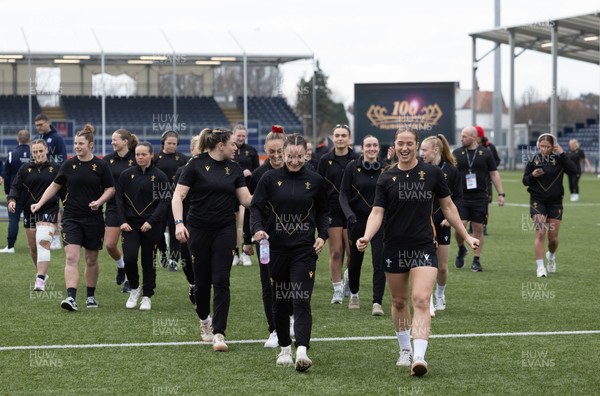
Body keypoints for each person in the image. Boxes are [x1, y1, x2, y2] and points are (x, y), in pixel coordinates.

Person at [356, 128, 479, 377]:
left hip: (423, 245)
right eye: (400, 143)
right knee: (399, 301)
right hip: (393, 246)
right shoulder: (386, 177)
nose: (404, 148)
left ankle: (420, 357)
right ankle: (405, 349)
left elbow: (448, 206)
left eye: (409, 143)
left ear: (416, 145)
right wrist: (367, 236)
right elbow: (377, 212)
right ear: (395, 145)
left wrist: (465, 236)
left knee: (421, 300)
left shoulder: (433, 174)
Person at [250, 133, 329, 371]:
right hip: (276, 249)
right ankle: (284, 348)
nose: (294, 161)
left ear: (306, 154)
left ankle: (302, 350)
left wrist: (322, 236)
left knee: (301, 298)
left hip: (304, 249)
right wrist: (258, 229)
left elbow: (324, 211)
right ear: (283, 154)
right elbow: (256, 207)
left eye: (299, 156)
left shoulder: (315, 180)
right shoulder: (269, 179)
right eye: (290, 156)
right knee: (281, 300)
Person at [172, 128, 251, 352]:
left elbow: (246, 200)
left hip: (225, 229)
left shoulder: (234, 168)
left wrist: (270, 194)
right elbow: (178, 196)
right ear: (220, 145)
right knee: (202, 281)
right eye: (232, 144)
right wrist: (179, 223)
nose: (236, 148)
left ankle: (219, 332)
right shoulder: (194, 165)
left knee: (222, 279)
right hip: (198, 229)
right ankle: (204, 320)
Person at [31, 124, 115, 311]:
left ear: (90, 145)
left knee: (91, 259)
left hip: (93, 219)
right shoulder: (68, 164)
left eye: (81, 143)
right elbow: (54, 186)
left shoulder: (101, 166)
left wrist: (99, 201)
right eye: (75, 143)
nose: (77, 146)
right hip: (71, 218)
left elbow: (111, 189)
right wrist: (40, 203)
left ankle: (91, 296)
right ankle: (71, 298)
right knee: (71, 257)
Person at [241, 126, 289, 348]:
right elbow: (252, 208)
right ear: (265, 150)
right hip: (265, 238)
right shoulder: (259, 175)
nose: (277, 156)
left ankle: (289, 320)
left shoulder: (298, 170)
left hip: (293, 237)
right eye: (272, 152)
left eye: (280, 151)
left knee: (290, 282)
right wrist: (247, 238)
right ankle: (273, 329)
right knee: (268, 283)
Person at [116, 142, 169, 310]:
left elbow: (165, 200)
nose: (140, 157)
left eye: (143, 154)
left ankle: (147, 296)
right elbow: (118, 200)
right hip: (130, 225)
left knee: (149, 261)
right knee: (130, 258)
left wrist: (151, 221)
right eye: (137, 154)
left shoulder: (160, 176)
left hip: (151, 225)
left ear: (151, 155)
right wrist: (122, 221)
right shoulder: (125, 175)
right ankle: (134, 289)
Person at [339, 135, 386, 315]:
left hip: (380, 223)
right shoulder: (352, 167)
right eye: (368, 145)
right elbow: (343, 194)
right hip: (357, 222)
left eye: (375, 145)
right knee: (355, 261)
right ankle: (354, 295)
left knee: (379, 262)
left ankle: (377, 302)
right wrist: (350, 216)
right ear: (362, 148)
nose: (372, 148)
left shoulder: (385, 169)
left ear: (378, 148)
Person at [7, 139, 60, 290]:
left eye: (40, 151)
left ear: (46, 151)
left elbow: (64, 190)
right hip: (30, 211)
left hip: (49, 210)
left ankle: (40, 279)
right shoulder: (25, 169)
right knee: (33, 247)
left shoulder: (56, 168)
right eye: (35, 152)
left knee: (43, 241)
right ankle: (40, 273)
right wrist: (12, 199)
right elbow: (15, 187)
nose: (38, 154)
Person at [523, 134, 577, 277]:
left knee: (552, 238)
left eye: (547, 146)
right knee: (540, 233)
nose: (544, 149)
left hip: (555, 202)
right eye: (542, 146)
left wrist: (562, 153)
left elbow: (574, 170)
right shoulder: (533, 160)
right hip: (537, 200)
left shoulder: (560, 160)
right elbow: (525, 181)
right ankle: (540, 267)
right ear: (538, 145)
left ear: (553, 146)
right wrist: (533, 175)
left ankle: (551, 256)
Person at [420, 134, 462, 317]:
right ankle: (427, 301)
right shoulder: (419, 170)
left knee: (442, 267)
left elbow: (459, 198)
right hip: (422, 224)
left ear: (435, 150)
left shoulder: (452, 172)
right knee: (427, 264)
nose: (421, 153)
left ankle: (440, 295)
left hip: (443, 223)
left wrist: (450, 218)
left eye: (424, 150)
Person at [453, 126, 505, 272]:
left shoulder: (486, 153)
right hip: (461, 197)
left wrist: (501, 194)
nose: (461, 138)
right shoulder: (456, 153)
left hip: (479, 197)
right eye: (461, 135)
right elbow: (450, 174)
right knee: (459, 227)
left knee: (478, 228)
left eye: (464, 136)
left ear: (474, 137)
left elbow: (494, 174)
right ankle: (461, 248)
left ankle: (476, 259)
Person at [317, 124, 359, 304]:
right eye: (337, 135)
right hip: (332, 209)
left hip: (352, 210)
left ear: (349, 138)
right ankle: (337, 290)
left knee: (352, 252)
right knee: (336, 251)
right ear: (333, 138)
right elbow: (319, 187)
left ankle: (349, 281)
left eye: (343, 135)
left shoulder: (357, 159)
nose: (340, 138)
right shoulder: (324, 160)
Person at [102, 129, 138, 292]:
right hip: (113, 206)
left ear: (125, 141)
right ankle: (121, 266)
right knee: (109, 245)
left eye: (115, 139)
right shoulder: (108, 160)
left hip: (133, 208)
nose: (112, 143)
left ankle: (131, 280)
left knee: (130, 248)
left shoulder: (137, 158)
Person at [173, 133, 203, 307]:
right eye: (199, 147)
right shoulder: (182, 171)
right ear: (192, 150)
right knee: (186, 259)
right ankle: (193, 283)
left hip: (206, 222)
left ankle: (202, 287)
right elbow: (177, 198)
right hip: (187, 221)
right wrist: (179, 222)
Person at [154, 130, 189, 271]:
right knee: (158, 229)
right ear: (163, 143)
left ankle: (174, 260)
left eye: (174, 144)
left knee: (176, 228)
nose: (172, 146)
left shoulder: (183, 159)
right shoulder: (155, 158)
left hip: (177, 200)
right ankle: (163, 250)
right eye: (169, 143)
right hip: (159, 199)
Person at [34, 113, 67, 250]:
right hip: (42, 176)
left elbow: (62, 157)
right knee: (44, 204)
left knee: (55, 205)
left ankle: (56, 237)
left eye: (41, 124)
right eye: (36, 125)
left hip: (55, 176)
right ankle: (46, 232)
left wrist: (58, 172)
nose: (38, 127)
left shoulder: (57, 138)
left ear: (48, 123)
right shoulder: (39, 138)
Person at [231, 124, 260, 266]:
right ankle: (234, 253)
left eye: (243, 135)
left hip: (248, 192)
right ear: (233, 135)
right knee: (233, 222)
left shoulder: (251, 150)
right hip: (231, 191)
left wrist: (251, 173)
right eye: (238, 135)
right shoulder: (229, 149)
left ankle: (245, 252)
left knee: (245, 221)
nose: (241, 138)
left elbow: (258, 172)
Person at [0, 130, 31, 253]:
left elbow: (6, 175)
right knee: (31, 219)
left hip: (16, 192)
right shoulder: (33, 154)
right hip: (30, 192)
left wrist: (8, 192)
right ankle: (32, 245)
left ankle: (10, 246)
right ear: (29, 140)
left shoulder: (12, 154)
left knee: (13, 220)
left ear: (18, 139)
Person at [475, 126, 500, 235]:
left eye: (477, 136)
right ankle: (473, 225)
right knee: (472, 202)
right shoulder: (468, 148)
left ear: (481, 136)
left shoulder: (490, 147)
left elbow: (497, 160)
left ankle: (483, 225)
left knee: (485, 203)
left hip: (486, 180)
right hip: (471, 180)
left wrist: (490, 167)